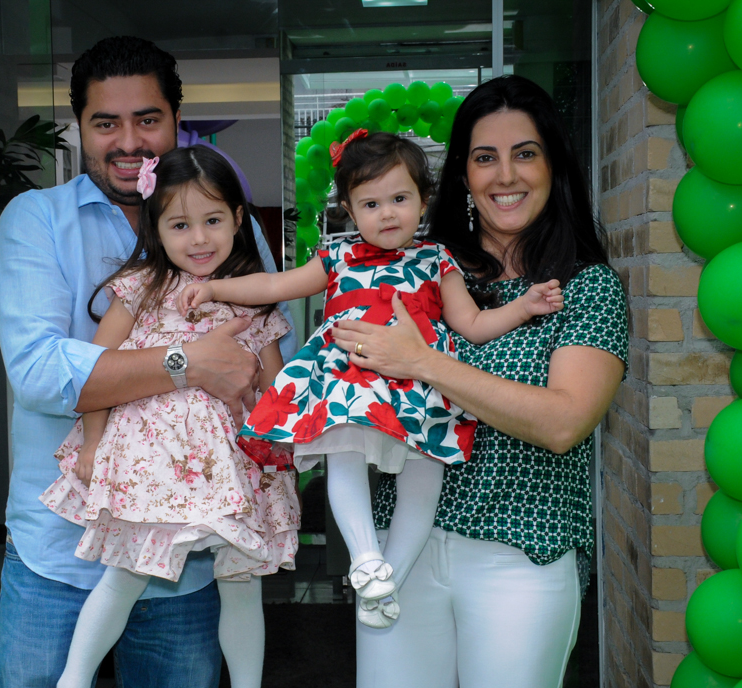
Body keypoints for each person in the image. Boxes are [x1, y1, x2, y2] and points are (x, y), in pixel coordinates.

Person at [0, 36, 293, 688]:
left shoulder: (233, 222)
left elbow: (268, 353)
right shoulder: (36, 220)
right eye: (105, 123)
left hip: (190, 562)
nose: (128, 142)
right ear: (79, 127)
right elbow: (39, 372)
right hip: (59, 556)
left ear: (178, 121)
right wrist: (189, 364)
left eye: (147, 119)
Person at [329, 76, 629, 688]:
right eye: (484, 156)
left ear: (553, 165)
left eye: (524, 154)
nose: (505, 175)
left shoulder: (585, 289)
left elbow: (563, 420)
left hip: (521, 557)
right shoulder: (421, 266)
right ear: (461, 172)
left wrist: (425, 362)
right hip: (405, 549)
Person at [178, 131, 564, 629]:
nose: (387, 214)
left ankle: (388, 581)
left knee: (425, 479)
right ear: (349, 210)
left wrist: (522, 307)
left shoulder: (437, 260)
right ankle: (365, 558)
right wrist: (212, 286)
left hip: (420, 384)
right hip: (349, 379)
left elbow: (472, 325)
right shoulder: (339, 258)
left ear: (423, 201)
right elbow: (274, 285)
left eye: (400, 199)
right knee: (342, 454)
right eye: (371, 203)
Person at [36, 146, 299, 688]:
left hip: (231, 470)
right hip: (153, 468)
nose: (198, 237)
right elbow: (95, 373)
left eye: (212, 219)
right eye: (178, 224)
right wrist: (93, 443)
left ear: (238, 219)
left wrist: (280, 449)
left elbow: (269, 393)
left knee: (241, 584)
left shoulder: (255, 304)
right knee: (125, 575)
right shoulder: (138, 290)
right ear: (156, 230)